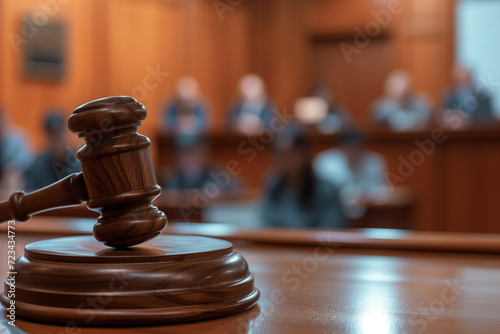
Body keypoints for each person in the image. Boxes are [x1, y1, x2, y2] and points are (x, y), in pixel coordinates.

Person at [261, 129, 346, 228]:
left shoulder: (328, 190)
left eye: (287, 154)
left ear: (304, 154)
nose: (281, 160)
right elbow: (265, 223)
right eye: (277, 154)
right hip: (278, 243)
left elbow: (332, 229)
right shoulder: (272, 184)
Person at [313, 129, 389, 218]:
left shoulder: (375, 162)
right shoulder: (325, 162)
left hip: (371, 214)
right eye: (349, 149)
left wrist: (365, 196)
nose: (353, 153)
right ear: (340, 148)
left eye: (357, 148)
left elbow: (383, 191)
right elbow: (321, 194)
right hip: (331, 213)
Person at [25, 112, 81, 190]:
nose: (57, 140)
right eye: (52, 134)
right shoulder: (37, 165)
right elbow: (28, 193)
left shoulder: (80, 160)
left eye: (59, 133)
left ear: (67, 132)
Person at [163, 135, 241, 190]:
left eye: (194, 152)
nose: (188, 158)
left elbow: (238, 190)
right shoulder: (170, 180)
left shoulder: (218, 175)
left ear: (204, 153)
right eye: (183, 153)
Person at [441, 64, 494, 128]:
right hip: (454, 135)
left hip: (478, 135)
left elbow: (488, 120)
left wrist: (468, 121)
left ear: (471, 80)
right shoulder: (448, 97)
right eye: (459, 81)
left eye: (466, 81)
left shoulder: (483, 97)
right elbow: (441, 117)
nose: (463, 85)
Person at [0, 108, 33, 192]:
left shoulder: (19, 138)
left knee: (13, 175)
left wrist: (10, 169)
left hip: (17, 178)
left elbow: (27, 158)